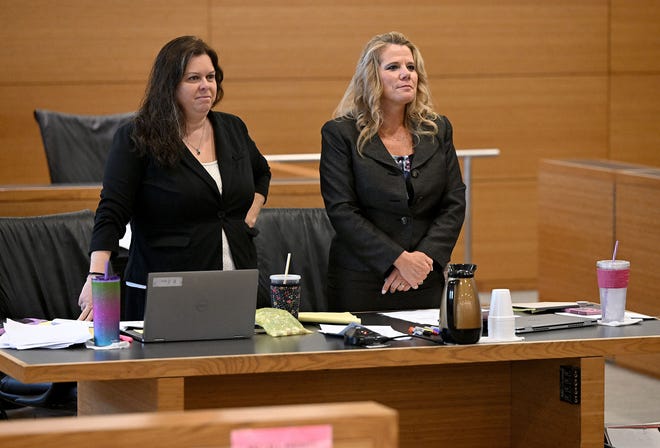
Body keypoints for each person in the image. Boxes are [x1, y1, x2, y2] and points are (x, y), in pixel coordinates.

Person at [78, 36, 271, 320]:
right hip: (165, 290)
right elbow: (111, 212)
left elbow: (261, 172)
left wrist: (250, 215)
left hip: (236, 284)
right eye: (193, 78)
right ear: (170, 85)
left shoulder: (233, 128)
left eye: (210, 76)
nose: (206, 85)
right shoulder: (138, 137)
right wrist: (96, 275)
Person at [320, 31, 466, 312]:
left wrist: (422, 258)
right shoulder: (340, 133)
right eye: (393, 67)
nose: (406, 74)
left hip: (424, 277)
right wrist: (398, 259)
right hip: (363, 281)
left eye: (411, 67)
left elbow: (454, 202)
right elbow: (342, 209)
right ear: (371, 77)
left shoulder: (437, 129)